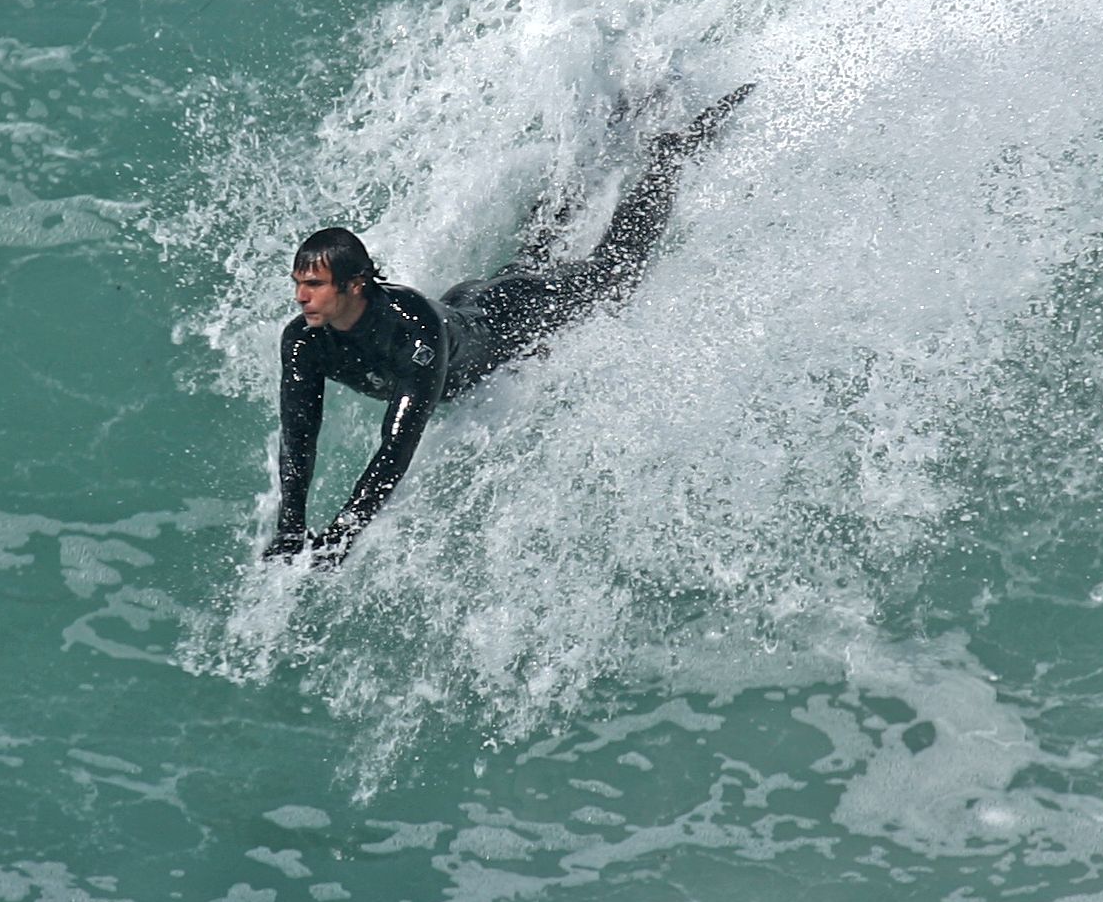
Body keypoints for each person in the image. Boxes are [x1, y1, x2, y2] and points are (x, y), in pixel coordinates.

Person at [265, 83, 753, 566]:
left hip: (516, 317)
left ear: (354, 285)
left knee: (613, 273)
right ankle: (605, 130)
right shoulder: (304, 341)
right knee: (536, 252)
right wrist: (291, 526)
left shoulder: (414, 335)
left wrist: (345, 532)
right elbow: (298, 434)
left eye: (314, 285)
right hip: (470, 303)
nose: (301, 296)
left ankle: (668, 159)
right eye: (299, 283)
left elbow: (396, 447)